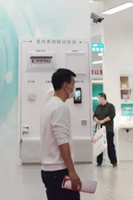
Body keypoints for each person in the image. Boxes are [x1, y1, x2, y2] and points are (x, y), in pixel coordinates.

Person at [40, 68, 81, 200]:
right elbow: (62, 141)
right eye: (73, 85)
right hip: (59, 171)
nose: (74, 89)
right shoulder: (60, 107)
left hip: (48, 171)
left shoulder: (48, 107)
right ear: (65, 86)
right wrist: (72, 170)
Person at [93, 93, 117, 167]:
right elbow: (94, 116)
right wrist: (97, 120)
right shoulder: (98, 107)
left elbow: (112, 115)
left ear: (103, 97)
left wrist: (103, 121)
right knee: (99, 145)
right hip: (99, 129)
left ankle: (113, 161)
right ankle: (99, 162)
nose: (98, 99)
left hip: (108, 129)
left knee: (110, 145)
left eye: (99, 98)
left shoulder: (111, 106)